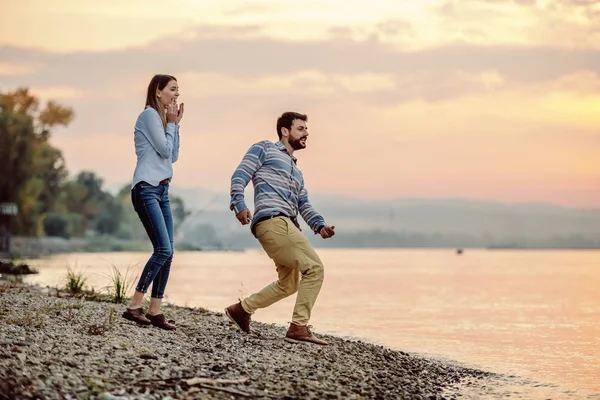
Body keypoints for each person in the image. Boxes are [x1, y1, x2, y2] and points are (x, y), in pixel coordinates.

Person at [225, 111, 336, 345]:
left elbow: (303, 203)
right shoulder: (265, 148)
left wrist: (319, 225)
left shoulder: (297, 171)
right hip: (274, 221)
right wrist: (239, 204)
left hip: (284, 225)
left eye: (306, 129)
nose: (306, 133)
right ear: (285, 131)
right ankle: (298, 327)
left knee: (289, 284)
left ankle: (242, 310)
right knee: (314, 268)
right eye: (301, 128)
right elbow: (240, 175)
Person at [121, 74, 184, 330]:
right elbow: (165, 151)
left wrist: (175, 125)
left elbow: (174, 155)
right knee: (163, 250)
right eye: (172, 89)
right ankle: (134, 306)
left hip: (162, 191)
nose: (177, 94)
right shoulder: (148, 116)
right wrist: (170, 124)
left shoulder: (162, 120)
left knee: (169, 253)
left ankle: (155, 310)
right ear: (158, 92)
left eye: (178, 90)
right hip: (146, 188)